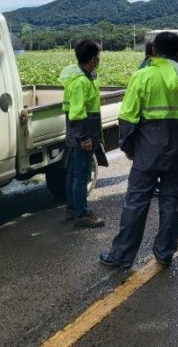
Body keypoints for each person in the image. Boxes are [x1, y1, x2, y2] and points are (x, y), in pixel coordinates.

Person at [99, 31, 178, 269]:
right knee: (172, 202)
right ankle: (165, 253)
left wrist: (129, 147)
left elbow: (127, 117)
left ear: (154, 51)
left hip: (148, 152)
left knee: (136, 201)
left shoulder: (143, 76)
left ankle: (122, 256)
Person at [58, 39, 105, 227]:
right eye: (98, 57)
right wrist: (85, 138)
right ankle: (81, 213)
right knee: (81, 175)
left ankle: (72, 209)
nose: (98, 61)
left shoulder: (84, 78)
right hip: (82, 133)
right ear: (93, 59)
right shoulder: (80, 82)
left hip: (78, 133)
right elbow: (77, 113)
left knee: (74, 173)